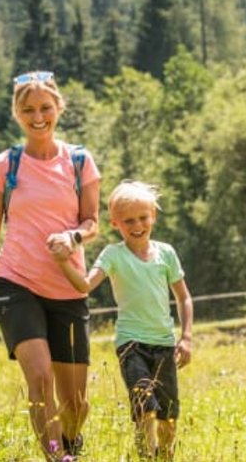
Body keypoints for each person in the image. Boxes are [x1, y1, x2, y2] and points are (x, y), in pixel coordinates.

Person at [0, 71, 101, 460]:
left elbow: (93, 222)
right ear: (17, 114)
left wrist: (73, 237)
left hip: (67, 284)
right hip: (16, 281)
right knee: (40, 379)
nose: (38, 116)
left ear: (59, 108)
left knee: (76, 402)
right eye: (28, 109)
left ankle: (71, 446)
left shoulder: (79, 161)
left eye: (45, 107)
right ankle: (56, 456)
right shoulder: (3, 166)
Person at [51, 181, 194, 460]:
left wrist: (186, 337)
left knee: (168, 417)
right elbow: (84, 285)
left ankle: (164, 456)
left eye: (143, 218)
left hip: (164, 344)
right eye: (128, 221)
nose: (137, 225)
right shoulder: (113, 255)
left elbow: (184, 297)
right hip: (131, 345)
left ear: (153, 215)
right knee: (144, 407)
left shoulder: (166, 253)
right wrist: (63, 262)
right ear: (115, 223)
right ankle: (146, 457)